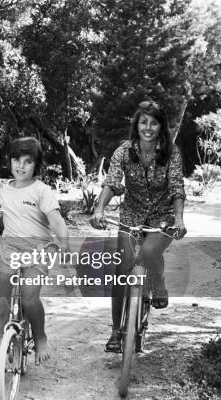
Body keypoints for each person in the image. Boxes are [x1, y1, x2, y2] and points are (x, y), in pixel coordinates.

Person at [0, 137, 70, 365]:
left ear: (36, 165)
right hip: (10, 247)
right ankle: (0, 335)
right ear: (10, 162)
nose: (20, 166)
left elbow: (56, 220)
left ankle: (40, 338)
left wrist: (66, 246)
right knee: (1, 291)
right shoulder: (3, 189)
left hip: (38, 249)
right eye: (16, 160)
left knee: (29, 297)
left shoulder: (42, 191)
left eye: (27, 162)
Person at [89, 100, 187, 353]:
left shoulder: (171, 153)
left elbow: (177, 187)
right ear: (137, 124)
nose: (148, 127)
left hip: (162, 217)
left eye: (154, 123)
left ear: (161, 127)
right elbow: (111, 182)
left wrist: (179, 218)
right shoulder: (124, 151)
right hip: (131, 216)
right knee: (122, 270)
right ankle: (115, 332)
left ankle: (159, 283)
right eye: (144, 122)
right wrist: (99, 208)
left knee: (148, 253)